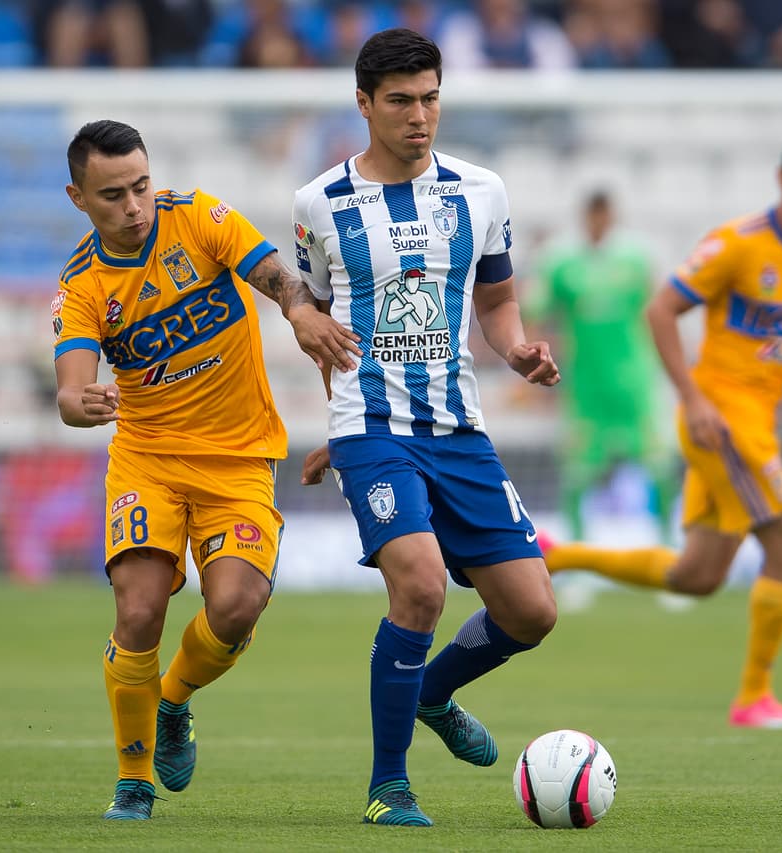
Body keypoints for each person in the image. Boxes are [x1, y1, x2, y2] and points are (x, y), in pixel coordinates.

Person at [52, 119, 359, 820]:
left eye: (140, 186)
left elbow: (278, 276)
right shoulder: (82, 284)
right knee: (139, 610)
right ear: (78, 197)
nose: (134, 206)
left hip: (239, 457)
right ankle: (133, 782)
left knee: (237, 607)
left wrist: (298, 312)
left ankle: (171, 699)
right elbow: (70, 389)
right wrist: (79, 403)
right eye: (113, 195)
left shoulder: (197, 216)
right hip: (148, 462)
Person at [293, 28, 561, 826]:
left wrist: (516, 348)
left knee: (532, 612)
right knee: (420, 583)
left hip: (458, 429)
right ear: (364, 104)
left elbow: (497, 298)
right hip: (373, 427)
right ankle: (389, 786)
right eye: (401, 101)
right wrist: (341, 426)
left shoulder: (482, 191)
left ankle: (431, 693)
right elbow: (319, 324)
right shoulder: (319, 204)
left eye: (431, 98)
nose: (419, 116)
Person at [541, 132, 782, 730]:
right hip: (722, 422)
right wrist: (692, 398)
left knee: (697, 576)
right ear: (781, 178)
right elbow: (661, 309)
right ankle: (755, 697)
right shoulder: (737, 244)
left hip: (759, 424)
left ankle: (559, 555)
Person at [528, 189, 677, 543]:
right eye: (593, 214)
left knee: (660, 468)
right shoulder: (561, 262)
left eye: (604, 213)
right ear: (585, 216)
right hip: (586, 389)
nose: (599, 220)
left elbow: (660, 312)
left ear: (612, 215)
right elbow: (535, 312)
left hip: (634, 385)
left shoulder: (636, 258)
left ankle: (668, 545)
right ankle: (578, 553)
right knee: (577, 475)